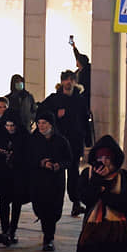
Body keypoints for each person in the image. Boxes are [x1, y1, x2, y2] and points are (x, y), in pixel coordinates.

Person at [41, 70, 89, 217]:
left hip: (75, 141)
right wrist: (56, 115)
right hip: (59, 142)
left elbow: (85, 120)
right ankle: (53, 203)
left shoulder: (80, 99)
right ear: (62, 82)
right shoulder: (54, 99)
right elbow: (42, 113)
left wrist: (87, 140)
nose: (69, 82)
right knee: (57, 172)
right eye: (66, 80)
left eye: (71, 80)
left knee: (74, 171)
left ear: (74, 82)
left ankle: (76, 202)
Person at [28, 109, 72, 251]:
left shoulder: (61, 140)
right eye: (39, 123)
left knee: (53, 209)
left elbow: (69, 159)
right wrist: (41, 163)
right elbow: (26, 158)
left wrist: (59, 165)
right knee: (40, 207)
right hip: (38, 180)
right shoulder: (32, 139)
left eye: (44, 123)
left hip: (55, 180)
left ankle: (49, 237)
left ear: (51, 124)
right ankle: (47, 233)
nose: (41, 126)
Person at [0, 111, 29, 246]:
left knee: (17, 203)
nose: (10, 128)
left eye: (13, 126)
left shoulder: (24, 135)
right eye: (8, 126)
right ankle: (5, 230)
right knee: (4, 202)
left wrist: (16, 156)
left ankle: (12, 231)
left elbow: (28, 154)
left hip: (18, 174)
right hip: (3, 174)